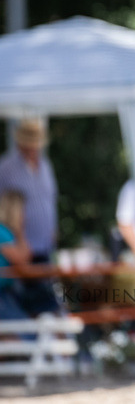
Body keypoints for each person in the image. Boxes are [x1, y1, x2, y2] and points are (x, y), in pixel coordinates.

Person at [0, 119, 61, 315]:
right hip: (18, 245)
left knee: (45, 298)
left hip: (43, 244)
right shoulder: (6, 168)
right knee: (31, 301)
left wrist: (53, 230)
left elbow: (50, 199)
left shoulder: (45, 165)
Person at [0, 190, 32, 320]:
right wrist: (20, 231)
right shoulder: (2, 232)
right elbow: (22, 261)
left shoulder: (8, 233)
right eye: (22, 211)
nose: (24, 216)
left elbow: (26, 257)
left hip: (8, 293)